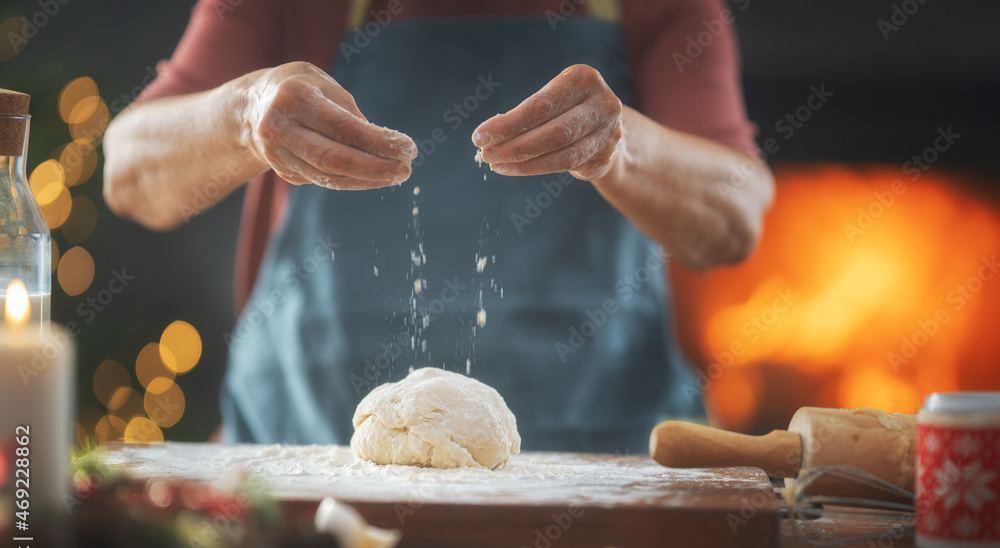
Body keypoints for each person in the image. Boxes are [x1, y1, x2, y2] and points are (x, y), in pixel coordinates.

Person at [103, 0, 774, 453]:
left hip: (607, 473)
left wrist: (618, 145)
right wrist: (243, 115)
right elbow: (129, 173)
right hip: (301, 457)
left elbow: (735, 219)